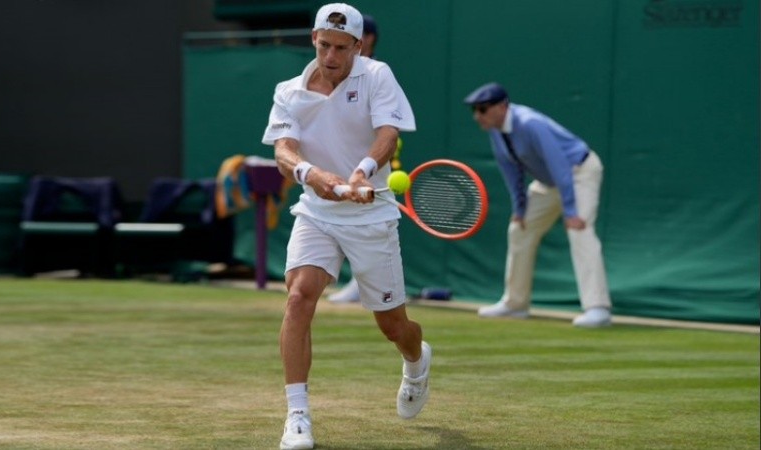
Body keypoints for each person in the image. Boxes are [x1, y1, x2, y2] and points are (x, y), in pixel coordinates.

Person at [261, 4, 431, 449]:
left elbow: (389, 133)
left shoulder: (377, 75)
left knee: (394, 327)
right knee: (299, 297)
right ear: (313, 39)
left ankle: (416, 361)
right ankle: (297, 416)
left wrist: (361, 171)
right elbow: (284, 150)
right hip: (318, 213)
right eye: (324, 45)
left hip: (371, 214)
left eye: (341, 47)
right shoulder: (289, 91)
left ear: (358, 46)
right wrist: (311, 175)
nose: (331, 55)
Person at [464, 82, 612, 328]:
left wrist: (571, 210)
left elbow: (560, 164)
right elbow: (511, 171)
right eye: (475, 111)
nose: (478, 116)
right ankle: (515, 304)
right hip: (548, 182)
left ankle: (598, 308)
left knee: (579, 230)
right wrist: (519, 210)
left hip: (578, 173)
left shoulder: (530, 123)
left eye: (482, 109)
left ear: (502, 106)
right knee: (519, 230)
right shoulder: (495, 130)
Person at [328, 13, 379, 304]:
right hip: (346, 153)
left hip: (369, 155)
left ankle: (364, 284)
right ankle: (358, 281)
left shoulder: (376, 73)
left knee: (367, 220)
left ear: (365, 40)